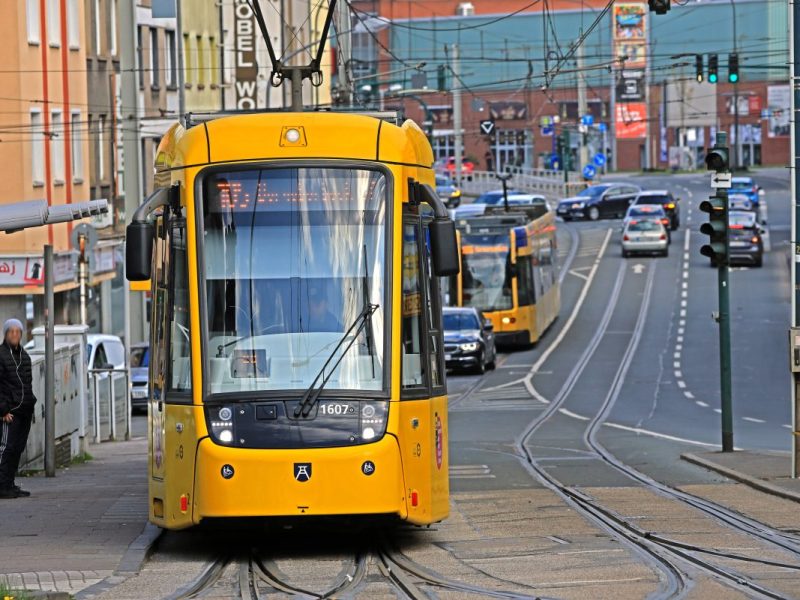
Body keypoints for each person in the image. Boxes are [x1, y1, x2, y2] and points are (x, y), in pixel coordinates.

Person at [0, 318, 36, 499]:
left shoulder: (25, 356)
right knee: (6, 448)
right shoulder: (0, 355)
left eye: (17, 331)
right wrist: (3, 410)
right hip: (10, 413)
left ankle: (10, 484)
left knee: (17, 449)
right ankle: (2, 486)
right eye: (11, 331)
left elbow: (27, 384)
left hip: (24, 412)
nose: (14, 334)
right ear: (6, 334)